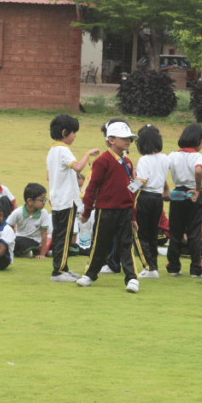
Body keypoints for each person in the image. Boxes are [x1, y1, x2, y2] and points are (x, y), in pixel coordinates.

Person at [77, 121, 142, 293]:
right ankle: (90, 275)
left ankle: (132, 278)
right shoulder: (101, 161)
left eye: (130, 138)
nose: (128, 141)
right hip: (105, 211)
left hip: (125, 211)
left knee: (125, 245)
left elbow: (131, 193)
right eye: (124, 138)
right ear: (111, 140)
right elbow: (92, 187)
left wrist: (133, 216)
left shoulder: (128, 163)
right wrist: (87, 211)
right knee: (100, 244)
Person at [47, 114, 99, 283]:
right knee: (64, 236)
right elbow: (77, 167)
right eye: (73, 132)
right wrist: (88, 154)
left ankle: (63, 269)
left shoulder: (52, 151)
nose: (75, 136)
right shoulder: (63, 150)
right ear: (64, 132)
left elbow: (49, 176)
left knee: (61, 235)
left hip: (57, 200)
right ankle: (59, 271)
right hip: (67, 201)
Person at [166, 123, 202, 278]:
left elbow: (163, 168)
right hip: (193, 194)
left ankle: (174, 266)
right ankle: (196, 268)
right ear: (198, 141)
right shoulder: (197, 156)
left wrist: (165, 189)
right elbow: (198, 169)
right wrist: (198, 189)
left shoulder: (172, 155)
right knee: (194, 232)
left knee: (175, 231)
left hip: (177, 193)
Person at [134, 124, 169, 278]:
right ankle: (153, 266)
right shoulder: (164, 158)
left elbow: (142, 181)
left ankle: (148, 267)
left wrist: (128, 188)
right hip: (157, 199)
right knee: (152, 234)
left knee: (141, 233)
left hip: (145, 197)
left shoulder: (144, 160)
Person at [7, 183, 51, 258]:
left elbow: (44, 235)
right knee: (12, 241)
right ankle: (25, 253)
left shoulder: (43, 213)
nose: (44, 202)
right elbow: (7, 226)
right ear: (30, 201)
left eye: (45, 199)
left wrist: (42, 254)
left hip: (35, 242)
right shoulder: (18, 212)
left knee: (18, 242)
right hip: (19, 239)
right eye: (42, 200)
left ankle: (24, 252)